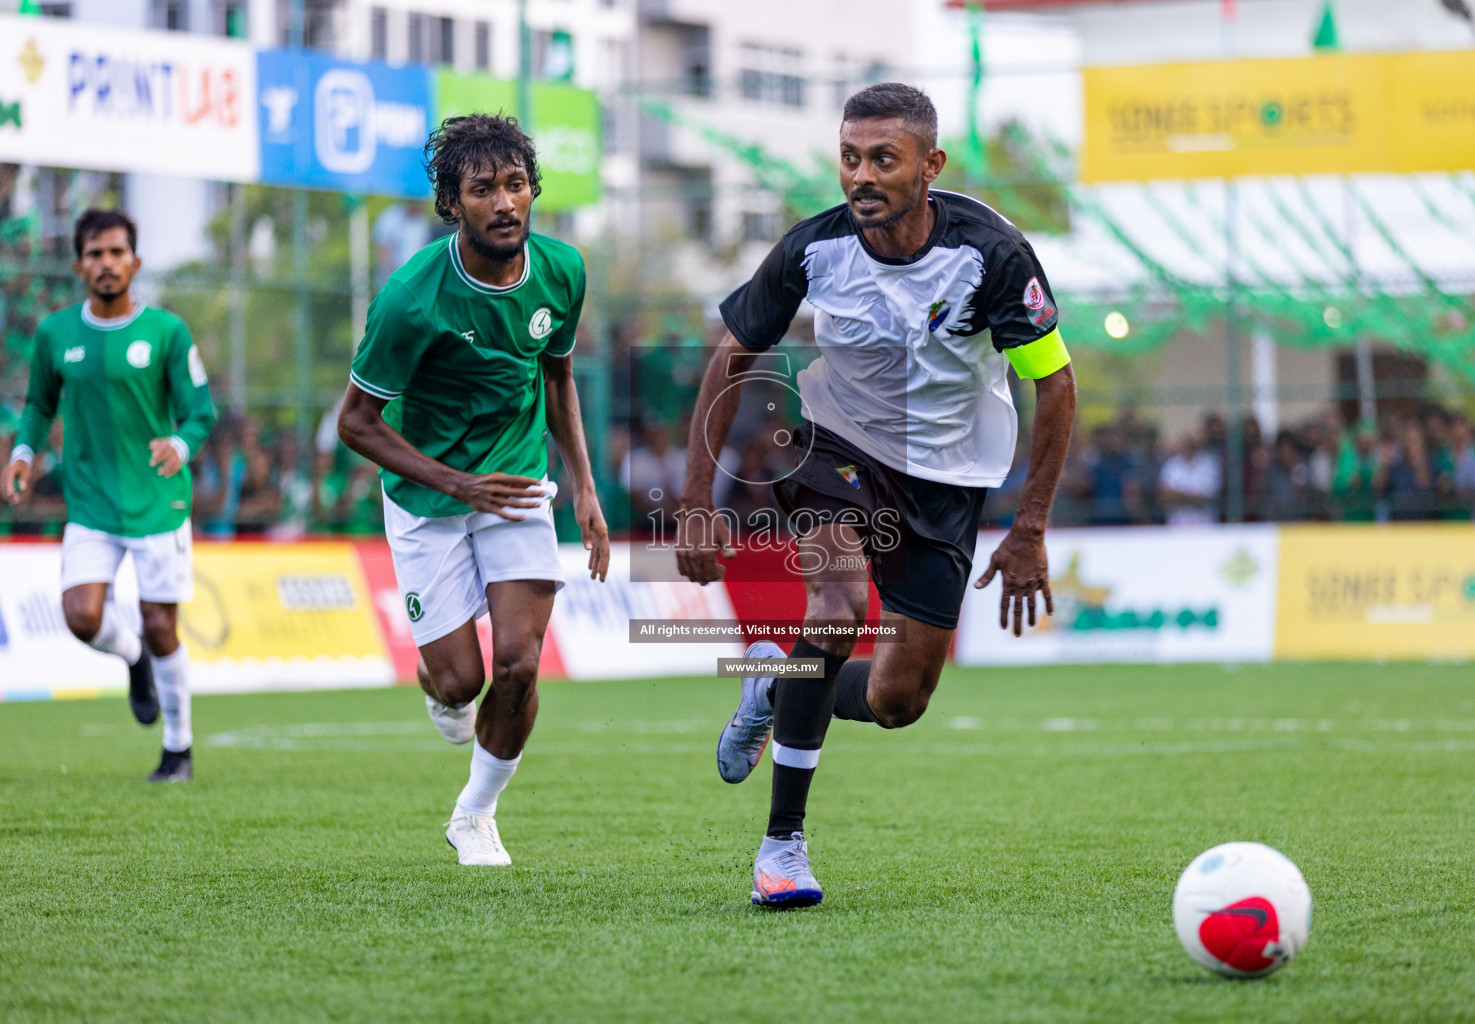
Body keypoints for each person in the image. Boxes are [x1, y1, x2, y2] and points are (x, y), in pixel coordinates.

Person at [675, 84, 1076, 908]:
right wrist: (696, 498)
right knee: (839, 599)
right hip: (835, 449)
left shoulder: (991, 255)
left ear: (930, 167)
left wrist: (1030, 524)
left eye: (883, 160)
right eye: (851, 158)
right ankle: (782, 845)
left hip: (948, 481)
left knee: (900, 700)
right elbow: (730, 358)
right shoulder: (812, 249)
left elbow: (1056, 384)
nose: (862, 176)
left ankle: (773, 685)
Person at [336, 114, 610, 867]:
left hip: (519, 483)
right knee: (461, 682)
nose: (504, 202)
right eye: (482, 188)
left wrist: (584, 489)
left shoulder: (563, 271)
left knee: (520, 664)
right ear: (453, 204)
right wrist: (457, 482)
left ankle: (474, 814)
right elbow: (356, 423)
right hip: (428, 499)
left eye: (516, 184)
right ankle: (439, 683)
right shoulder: (410, 298)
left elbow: (556, 374)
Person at [2, 209, 215, 782]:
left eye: (117, 252)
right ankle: (132, 656)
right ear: (78, 266)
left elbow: (200, 412)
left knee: (162, 623)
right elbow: (39, 407)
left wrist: (180, 443)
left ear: (135, 262)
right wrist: (23, 453)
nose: (107, 263)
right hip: (91, 503)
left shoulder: (167, 332)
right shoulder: (55, 334)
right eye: (95, 254)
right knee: (81, 616)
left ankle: (178, 749)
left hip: (158, 501)